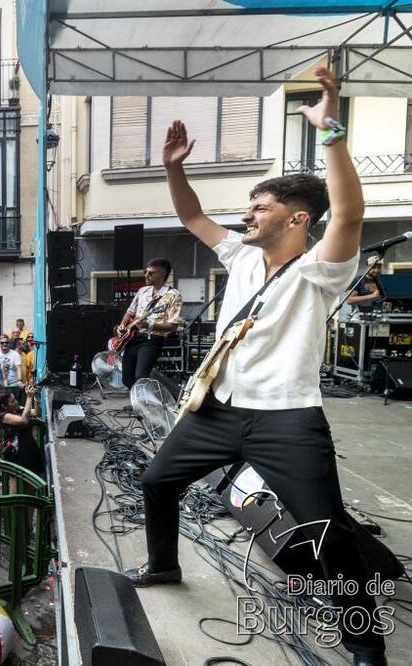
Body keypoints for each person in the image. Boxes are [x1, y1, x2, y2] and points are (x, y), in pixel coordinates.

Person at [128, 68, 387, 665]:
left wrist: (333, 135)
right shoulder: (241, 257)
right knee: (156, 480)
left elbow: (347, 215)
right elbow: (194, 217)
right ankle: (165, 564)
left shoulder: (323, 268)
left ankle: (364, 646)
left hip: (287, 420)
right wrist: (174, 169)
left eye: (261, 207)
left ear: (296, 219)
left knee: (327, 531)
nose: (248, 215)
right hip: (216, 412)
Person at [114, 258, 183, 389]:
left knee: (141, 378)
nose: (146, 275)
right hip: (132, 337)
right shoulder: (142, 291)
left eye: (151, 273)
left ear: (162, 274)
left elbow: (174, 325)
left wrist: (149, 325)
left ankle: (145, 405)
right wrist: (122, 325)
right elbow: (130, 312)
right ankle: (139, 400)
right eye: (146, 271)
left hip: (152, 339)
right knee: (127, 379)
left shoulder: (173, 295)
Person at [0, 385, 44, 479]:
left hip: (29, 448)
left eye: (15, 399)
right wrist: (29, 397)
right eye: (12, 401)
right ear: (4, 406)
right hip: (17, 453)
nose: (16, 402)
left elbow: (36, 413)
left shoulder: (17, 408)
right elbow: (23, 420)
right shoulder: (3, 416)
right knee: (18, 482)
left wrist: (35, 397)